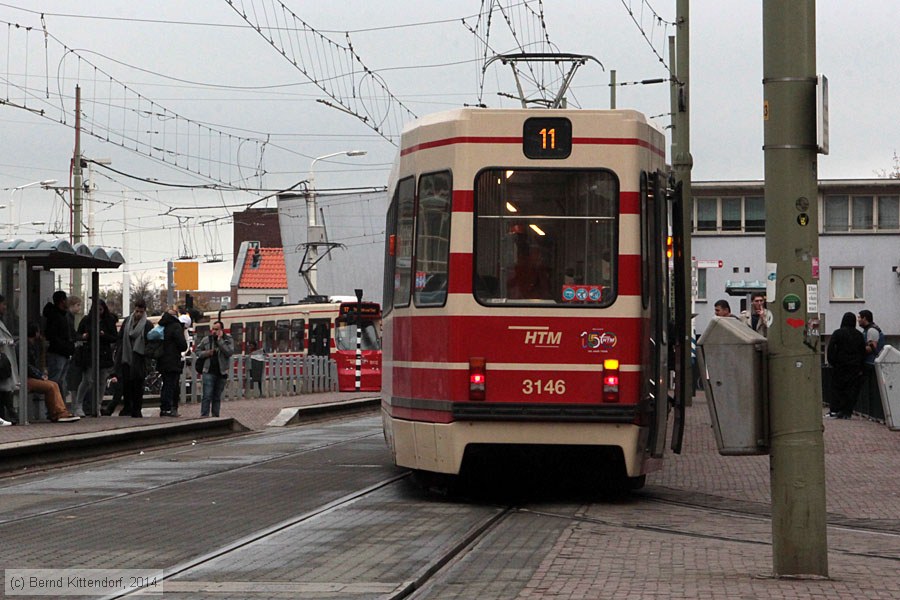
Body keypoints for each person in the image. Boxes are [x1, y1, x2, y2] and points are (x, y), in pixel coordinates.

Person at [26, 323, 79, 422]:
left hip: (29, 377)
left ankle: (59, 412)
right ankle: (58, 413)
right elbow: (27, 366)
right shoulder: (25, 346)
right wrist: (40, 375)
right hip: (26, 378)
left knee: (54, 384)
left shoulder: (31, 346)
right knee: (51, 386)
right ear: (35, 333)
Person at [73, 299, 118, 417]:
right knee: (87, 380)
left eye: (101, 310)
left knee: (102, 381)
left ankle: (97, 405)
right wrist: (84, 336)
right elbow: (77, 335)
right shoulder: (87, 320)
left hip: (103, 354)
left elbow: (114, 337)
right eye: (97, 310)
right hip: (89, 353)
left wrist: (104, 335)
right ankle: (79, 405)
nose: (99, 312)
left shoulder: (109, 321)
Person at [113, 300, 152, 418]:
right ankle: (127, 407)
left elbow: (149, 341)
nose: (138, 314)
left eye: (141, 311)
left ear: (144, 311)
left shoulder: (147, 324)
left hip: (139, 358)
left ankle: (137, 409)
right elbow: (120, 338)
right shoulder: (127, 322)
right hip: (126, 357)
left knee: (138, 385)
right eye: (137, 311)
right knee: (126, 384)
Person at [825, 312, 866, 419]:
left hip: (840, 366)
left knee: (837, 389)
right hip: (854, 368)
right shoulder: (859, 335)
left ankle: (835, 410)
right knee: (851, 390)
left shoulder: (838, 333)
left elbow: (831, 349)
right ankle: (847, 412)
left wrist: (832, 361)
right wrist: (860, 366)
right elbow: (862, 352)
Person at [42, 290, 76, 408]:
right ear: (62, 301)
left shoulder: (63, 315)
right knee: (55, 382)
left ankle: (60, 408)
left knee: (60, 382)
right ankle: (53, 409)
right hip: (58, 352)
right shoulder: (56, 316)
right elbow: (53, 335)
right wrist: (66, 346)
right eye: (65, 299)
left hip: (63, 352)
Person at [196, 320, 235, 417]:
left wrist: (220, 341)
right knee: (207, 395)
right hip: (208, 371)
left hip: (221, 372)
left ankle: (215, 416)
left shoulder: (228, 340)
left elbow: (229, 352)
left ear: (221, 330)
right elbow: (197, 351)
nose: (213, 331)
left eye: (216, 329)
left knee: (217, 396)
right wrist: (206, 353)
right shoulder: (206, 339)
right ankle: (204, 416)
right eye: (213, 329)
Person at [157, 305, 188, 417]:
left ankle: (164, 408)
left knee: (166, 384)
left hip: (162, 359)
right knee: (171, 385)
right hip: (172, 360)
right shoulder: (175, 326)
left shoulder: (162, 325)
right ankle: (168, 408)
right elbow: (182, 345)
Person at [0, 295, 20, 425]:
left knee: (5, 389)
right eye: (3, 304)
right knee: (4, 388)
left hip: (4, 360)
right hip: (2, 360)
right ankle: (10, 415)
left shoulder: (2, 321)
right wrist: (6, 341)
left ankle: (7, 416)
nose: (5, 307)